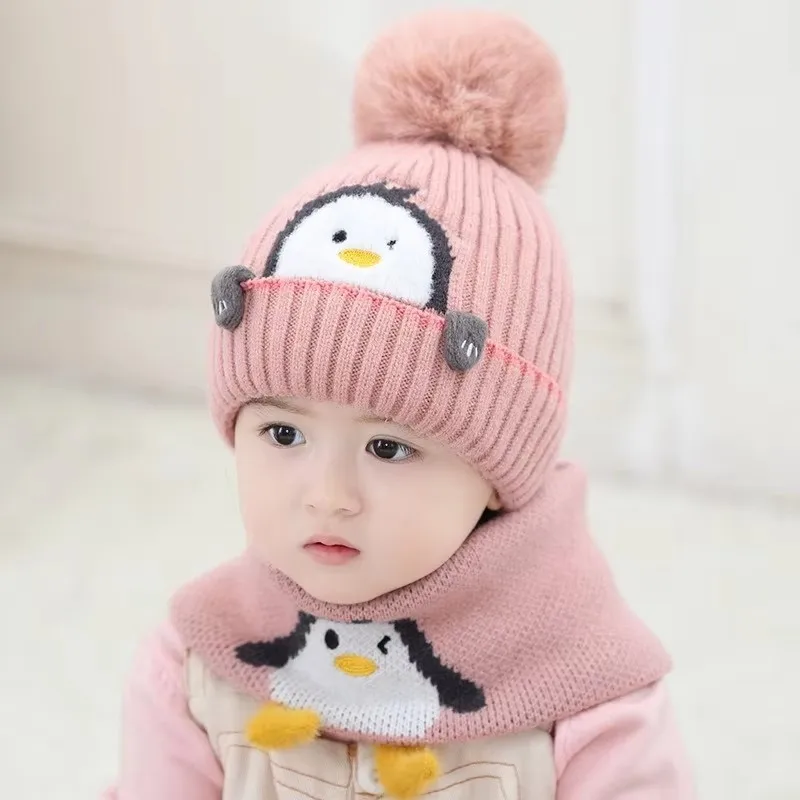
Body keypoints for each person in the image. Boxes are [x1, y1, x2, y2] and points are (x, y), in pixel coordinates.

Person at [104, 9, 694, 799]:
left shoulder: (587, 700)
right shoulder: (198, 670)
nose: (328, 495)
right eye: (282, 432)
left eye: (390, 447)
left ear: (499, 475)